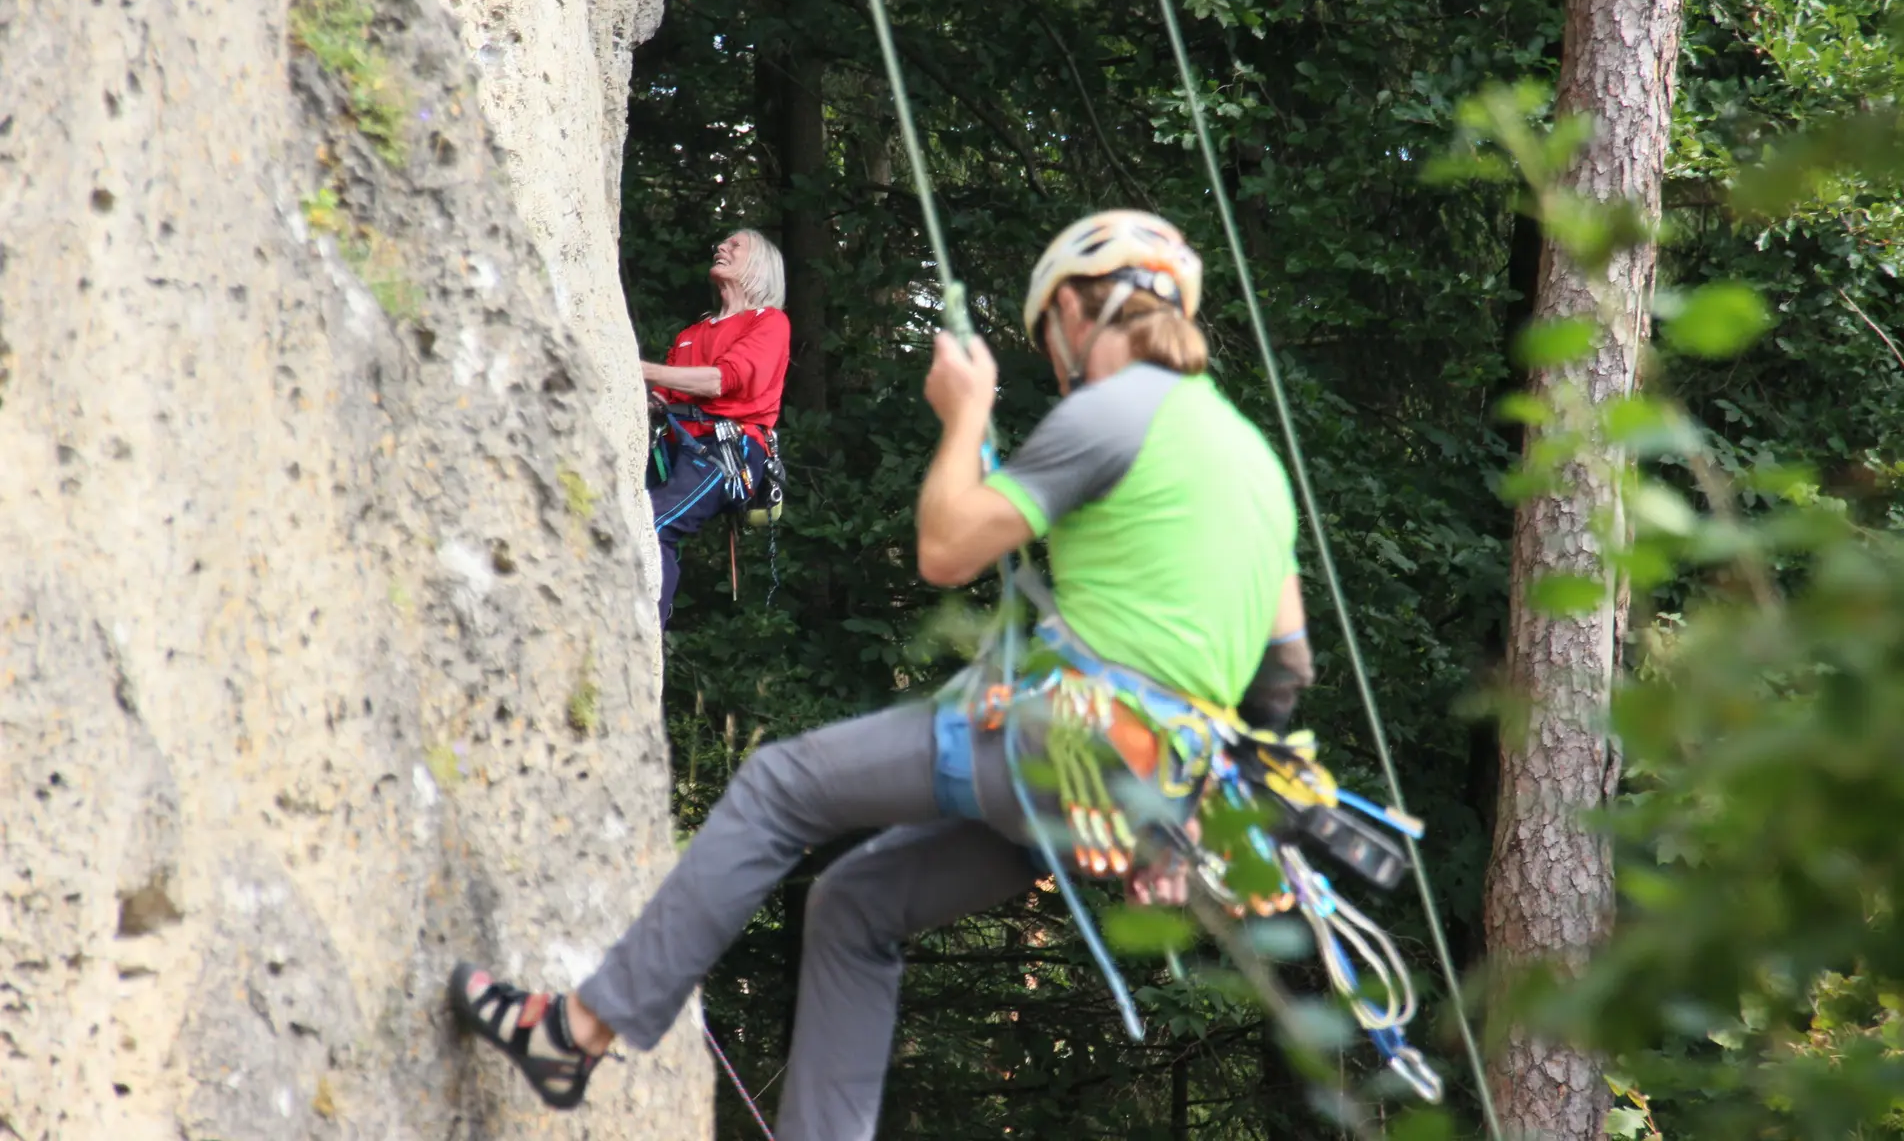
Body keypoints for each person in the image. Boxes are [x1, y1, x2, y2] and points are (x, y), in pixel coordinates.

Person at [447, 211, 1315, 1139]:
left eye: (1047, 336)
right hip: (1147, 783)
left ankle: (574, 1033)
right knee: (855, 904)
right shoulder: (1254, 459)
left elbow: (945, 549)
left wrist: (967, 414)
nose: (1056, 362)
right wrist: (1174, 826)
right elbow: (1283, 674)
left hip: (1064, 739)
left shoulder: (1113, 408)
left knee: (779, 786)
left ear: (1073, 310)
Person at [640, 229, 791, 626]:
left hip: (726, 450)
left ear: (759, 266)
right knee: (630, 518)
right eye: (722, 244)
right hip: (676, 446)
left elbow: (722, 381)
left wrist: (640, 370)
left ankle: (645, 630)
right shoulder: (692, 335)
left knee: (651, 523)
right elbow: (667, 395)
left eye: (735, 245)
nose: (721, 248)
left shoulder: (769, 322)